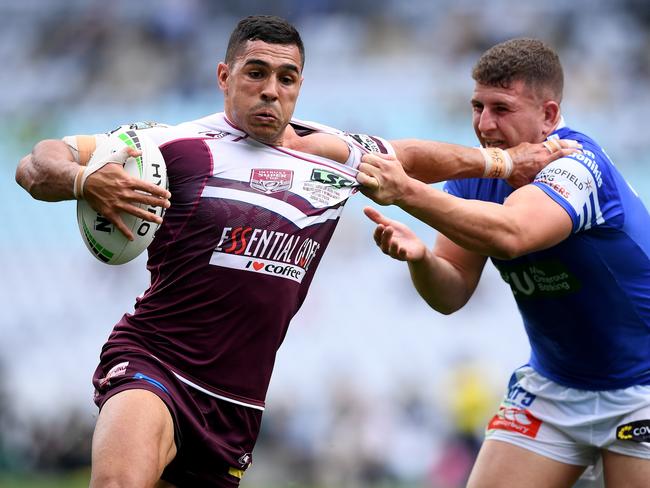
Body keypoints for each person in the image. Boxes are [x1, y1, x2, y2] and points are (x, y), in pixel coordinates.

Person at [15, 17, 574, 487]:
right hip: (155, 361)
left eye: (287, 77)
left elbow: (412, 157)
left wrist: (503, 163)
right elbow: (36, 164)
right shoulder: (172, 144)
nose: (271, 90)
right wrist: (85, 179)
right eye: (256, 73)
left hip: (237, 401)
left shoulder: (330, 154)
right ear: (224, 75)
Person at [357, 38, 650, 488]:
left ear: (549, 115)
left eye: (501, 108)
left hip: (641, 388)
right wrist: (420, 260)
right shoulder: (480, 179)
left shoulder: (579, 164)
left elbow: (512, 235)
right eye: (477, 106)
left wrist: (408, 192)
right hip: (554, 388)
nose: (484, 124)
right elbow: (451, 291)